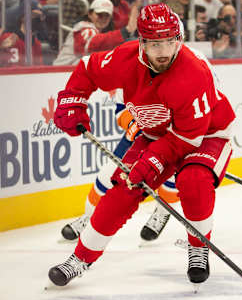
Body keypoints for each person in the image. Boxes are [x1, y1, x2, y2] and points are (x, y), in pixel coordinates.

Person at [49, 3, 235, 288]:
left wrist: (154, 161)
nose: (163, 51)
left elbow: (187, 139)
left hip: (207, 133)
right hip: (156, 133)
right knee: (123, 189)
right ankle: (80, 258)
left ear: (179, 39)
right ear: (142, 42)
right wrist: (74, 98)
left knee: (193, 178)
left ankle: (198, 247)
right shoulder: (125, 58)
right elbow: (87, 69)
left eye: (169, 42)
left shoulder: (194, 73)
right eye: (155, 43)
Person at [60, 89, 181, 243]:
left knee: (172, 181)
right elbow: (121, 108)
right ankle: (89, 218)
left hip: (174, 141)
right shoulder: (132, 71)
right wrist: (133, 125)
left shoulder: (193, 71)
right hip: (138, 139)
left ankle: (162, 212)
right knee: (105, 178)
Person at [53, 0, 138, 65]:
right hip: (59, 72)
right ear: (90, 14)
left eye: (106, 16)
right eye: (99, 15)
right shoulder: (83, 28)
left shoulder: (97, 31)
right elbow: (93, 44)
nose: (103, 19)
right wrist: (125, 31)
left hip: (72, 73)